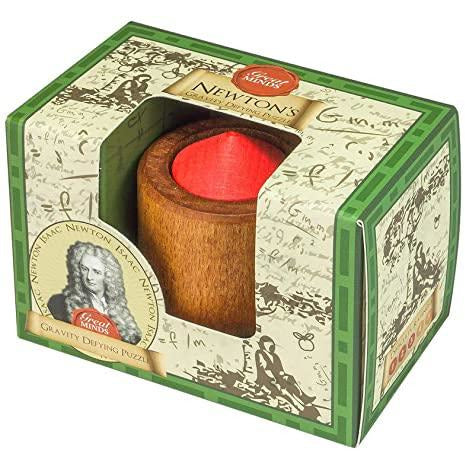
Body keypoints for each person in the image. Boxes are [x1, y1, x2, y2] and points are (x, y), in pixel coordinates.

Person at [47, 241, 142, 345]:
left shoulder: (120, 312)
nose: (89, 277)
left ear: (108, 276)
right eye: (84, 269)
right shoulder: (59, 304)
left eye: (96, 272)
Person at [255, 335, 316, 411]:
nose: (272, 347)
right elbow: (264, 369)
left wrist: (282, 374)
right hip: (267, 380)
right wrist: (275, 380)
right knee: (283, 389)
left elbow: (280, 369)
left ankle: (304, 398)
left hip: (277, 378)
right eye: (270, 346)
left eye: (273, 345)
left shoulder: (275, 356)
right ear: (263, 345)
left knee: (290, 378)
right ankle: (299, 406)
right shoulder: (260, 353)